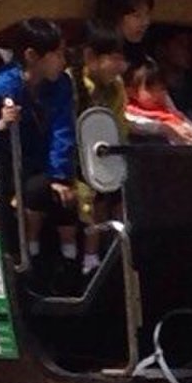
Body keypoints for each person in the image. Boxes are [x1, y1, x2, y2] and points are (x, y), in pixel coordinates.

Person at [0, 18, 78, 285]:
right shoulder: (3, 84)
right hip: (6, 165)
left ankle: (68, 268)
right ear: (32, 56)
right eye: (57, 54)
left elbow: (62, 130)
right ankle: (21, 264)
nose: (63, 60)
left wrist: (59, 175)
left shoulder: (60, 85)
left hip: (40, 164)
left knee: (61, 197)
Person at [74, 21, 128, 275]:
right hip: (75, 158)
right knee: (93, 197)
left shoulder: (116, 88)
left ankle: (121, 252)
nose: (120, 66)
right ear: (91, 57)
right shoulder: (73, 84)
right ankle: (89, 259)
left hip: (107, 154)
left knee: (120, 193)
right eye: (114, 59)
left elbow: (119, 126)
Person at [125, 58, 192, 144]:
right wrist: (166, 129)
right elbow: (133, 124)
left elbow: (183, 120)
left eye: (162, 89)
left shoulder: (168, 110)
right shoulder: (131, 114)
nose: (158, 95)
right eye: (151, 90)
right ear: (132, 92)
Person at [91, 0, 152, 68]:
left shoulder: (142, 58)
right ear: (114, 17)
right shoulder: (96, 55)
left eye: (147, 14)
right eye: (137, 16)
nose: (146, 22)